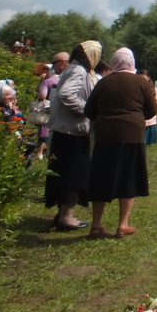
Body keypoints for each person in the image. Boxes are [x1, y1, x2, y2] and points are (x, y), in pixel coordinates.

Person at [84, 48, 157, 239]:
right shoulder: (141, 82)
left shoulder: (103, 82)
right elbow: (151, 110)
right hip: (131, 136)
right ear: (131, 63)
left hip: (105, 136)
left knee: (101, 178)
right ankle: (122, 225)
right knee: (128, 178)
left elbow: (89, 110)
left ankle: (96, 225)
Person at [45, 40, 102, 231]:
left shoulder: (74, 69)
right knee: (74, 175)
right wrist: (86, 110)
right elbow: (66, 94)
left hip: (66, 130)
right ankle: (66, 217)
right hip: (72, 131)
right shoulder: (78, 71)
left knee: (64, 173)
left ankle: (63, 213)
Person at [35, 51, 70, 158]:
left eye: (54, 63)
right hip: (63, 115)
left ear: (63, 63)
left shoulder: (47, 81)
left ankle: (40, 153)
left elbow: (42, 96)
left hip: (49, 108)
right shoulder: (63, 79)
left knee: (44, 130)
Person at [138, 68, 157, 144]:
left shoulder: (153, 89)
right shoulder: (134, 89)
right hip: (137, 121)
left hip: (149, 120)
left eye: (144, 78)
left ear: (148, 78)